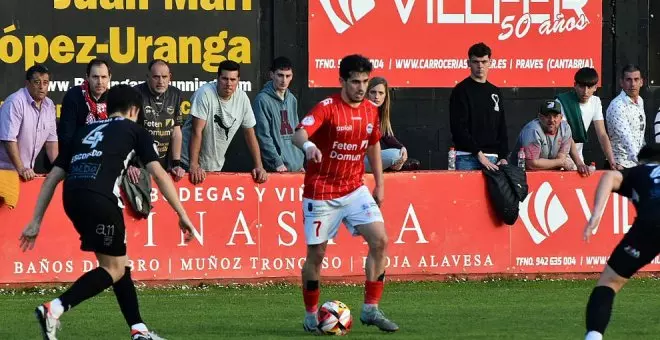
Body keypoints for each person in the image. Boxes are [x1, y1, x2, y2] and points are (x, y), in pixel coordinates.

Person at [19, 85, 195, 340]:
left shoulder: (83, 131)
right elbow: (158, 173)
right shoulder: (135, 131)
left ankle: (139, 330)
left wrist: (36, 220)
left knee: (119, 264)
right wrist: (182, 214)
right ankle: (54, 309)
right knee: (114, 269)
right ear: (135, 110)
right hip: (101, 199)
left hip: (72, 198)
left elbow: (52, 178)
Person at [293, 54, 399, 334]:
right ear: (342, 81)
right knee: (317, 255)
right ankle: (311, 314)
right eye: (355, 82)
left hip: (354, 189)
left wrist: (380, 183)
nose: (361, 87)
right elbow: (299, 133)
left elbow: (374, 145)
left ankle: (370, 309)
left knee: (380, 240)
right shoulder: (327, 108)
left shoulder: (370, 111)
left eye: (365, 81)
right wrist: (308, 148)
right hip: (321, 193)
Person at [582, 143, 660, 340]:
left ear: (641, 161)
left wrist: (596, 215)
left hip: (649, 226)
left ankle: (593, 337)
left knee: (609, 282)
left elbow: (609, 176)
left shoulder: (640, 171)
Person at [181, 60, 267, 184]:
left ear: (238, 80)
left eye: (233, 80)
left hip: (214, 167)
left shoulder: (242, 98)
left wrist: (259, 165)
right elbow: (197, 131)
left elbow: (250, 133)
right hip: (187, 164)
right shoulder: (205, 93)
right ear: (218, 78)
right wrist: (193, 165)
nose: (228, 84)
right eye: (224, 79)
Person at [450, 42, 508, 170]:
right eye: (476, 62)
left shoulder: (495, 92)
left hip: (493, 158)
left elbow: (501, 127)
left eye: (484, 61)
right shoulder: (460, 91)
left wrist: (503, 156)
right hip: (467, 157)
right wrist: (478, 153)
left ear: (490, 62)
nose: (480, 66)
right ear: (468, 63)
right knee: (465, 191)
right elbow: (458, 128)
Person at [130, 59, 185, 183]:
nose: (161, 81)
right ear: (148, 77)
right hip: (139, 164)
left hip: (165, 162)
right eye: (156, 77)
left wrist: (177, 163)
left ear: (170, 77)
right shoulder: (135, 93)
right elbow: (129, 132)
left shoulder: (175, 94)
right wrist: (130, 164)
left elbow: (176, 132)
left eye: (164, 77)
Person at [0, 64, 58, 181]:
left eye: (45, 82)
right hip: (4, 173)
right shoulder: (15, 102)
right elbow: (9, 140)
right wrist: (21, 169)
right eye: (37, 82)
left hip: (26, 175)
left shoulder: (49, 105)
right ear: (27, 83)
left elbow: (51, 143)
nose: (42, 86)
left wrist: (59, 169)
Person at [556, 67, 616, 174]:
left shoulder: (596, 102)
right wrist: (579, 163)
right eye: (582, 86)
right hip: (558, 157)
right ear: (575, 85)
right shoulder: (562, 102)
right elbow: (567, 136)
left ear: (595, 87)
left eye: (589, 87)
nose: (585, 91)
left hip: (578, 158)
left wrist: (612, 161)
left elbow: (602, 134)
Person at [253, 56, 304, 172]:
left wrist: (300, 162)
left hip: (296, 167)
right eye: (280, 75)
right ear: (271, 75)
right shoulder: (262, 100)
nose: (284, 80)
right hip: (277, 168)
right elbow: (263, 136)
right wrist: (277, 163)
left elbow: (296, 132)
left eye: (288, 76)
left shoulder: (292, 99)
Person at [365, 77, 419, 172]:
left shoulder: (379, 114)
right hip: (352, 161)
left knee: (399, 154)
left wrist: (402, 148)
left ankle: (392, 165)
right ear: (367, 94)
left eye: (381, 93)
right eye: (373, 92)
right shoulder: (361, 110)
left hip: (368, 159)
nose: (376, 96)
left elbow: (387, 136)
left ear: (385, 96)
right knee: (395, 155)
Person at [58, 59, 111, 154]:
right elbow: (66, 135)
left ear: (109, 78)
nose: (100, 82)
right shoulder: (74, 95)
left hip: (106, 154)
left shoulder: (113, 97)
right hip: (77, 153)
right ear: (87, 77)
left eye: (103, 77)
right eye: (95, 77)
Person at [508, 100, 576, 171]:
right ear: (539, 117)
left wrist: (561, 162)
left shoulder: (565, 128)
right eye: (547, 116)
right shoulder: (533, 130)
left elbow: (561, 158)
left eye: (555, 116)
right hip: (518, 174)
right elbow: (532, 164)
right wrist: (561, 162)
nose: (552, 120)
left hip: (548, 172)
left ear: (561, 117)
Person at [606, 64, 646, 169]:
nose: (632, 84)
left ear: (641, 82)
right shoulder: (617, 106)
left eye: (636, 79)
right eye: (628, 80)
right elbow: (627, 140)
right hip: (620, 166)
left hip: (636, 165)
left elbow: (640, 137)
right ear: (621, 83)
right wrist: (644, 164)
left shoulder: (640, 101)